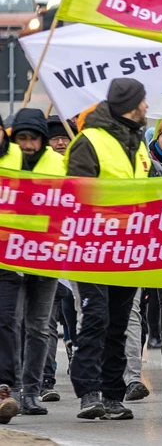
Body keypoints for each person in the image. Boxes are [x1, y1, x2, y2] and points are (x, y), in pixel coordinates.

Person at [64, 78, 151, 420]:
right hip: (93, 249)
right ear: (130, 105)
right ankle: (88, 391)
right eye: (143, 101)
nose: (146, 107)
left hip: (129, 250)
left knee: (117, 322)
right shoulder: (90, 142)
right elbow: (78, 194)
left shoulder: (138, 143)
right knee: (96, 318)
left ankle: (113, 394)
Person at [0, 110, 66, 421]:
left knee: (39, 327)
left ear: (42, 139)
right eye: (22, 138)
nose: (28, 144)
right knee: (8, 322)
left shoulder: (57, 164)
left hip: (45, 255)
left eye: (33, 138)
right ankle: (7, 387)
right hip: (7, 256)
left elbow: (70, 205)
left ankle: (31, 390)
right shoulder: (4, 158)